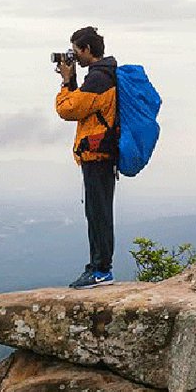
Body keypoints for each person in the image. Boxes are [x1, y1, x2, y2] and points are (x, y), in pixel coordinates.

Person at [56, 26, 118, 289]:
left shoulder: (99, 79)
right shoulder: (103, 75)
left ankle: (100, 269)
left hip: (98, 154)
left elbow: (68, 110)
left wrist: (66, 81)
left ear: (87, 50)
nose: (73, 57)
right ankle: (98, 267)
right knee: (98, 211)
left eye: (75, 51)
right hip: (99, 153)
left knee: (98, 213)